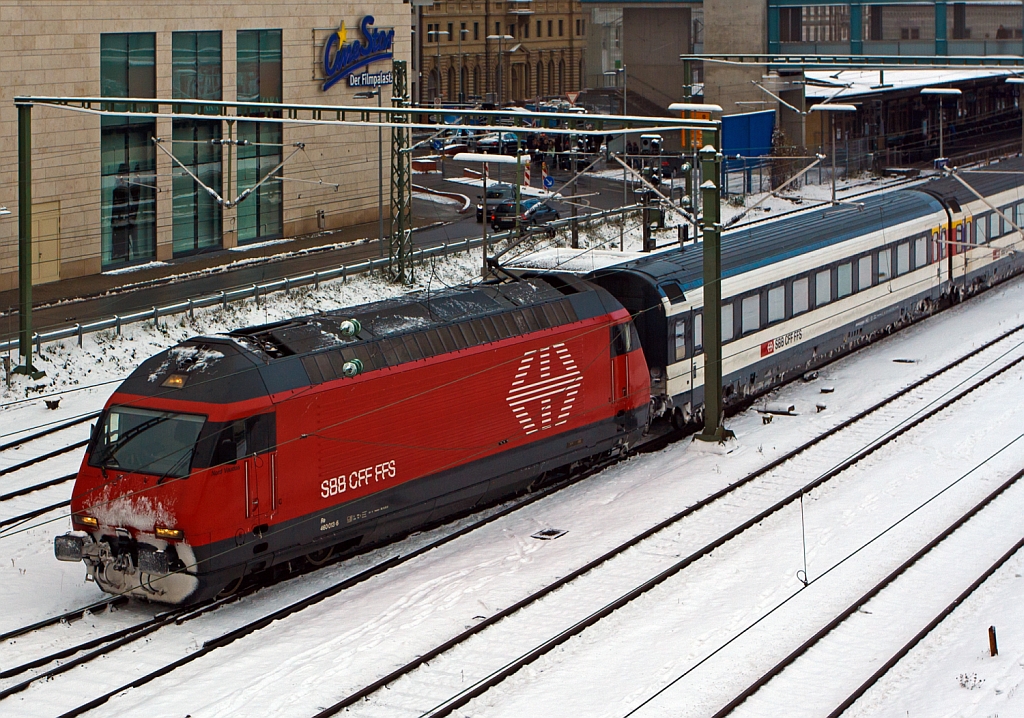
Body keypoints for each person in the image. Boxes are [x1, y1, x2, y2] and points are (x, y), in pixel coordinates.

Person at [110, 163, 131, 262]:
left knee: (122, 239)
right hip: (120, 220)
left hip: (123, 219)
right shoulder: (118, 188)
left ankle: (121, 253)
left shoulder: (125, 188)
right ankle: (119, 254)